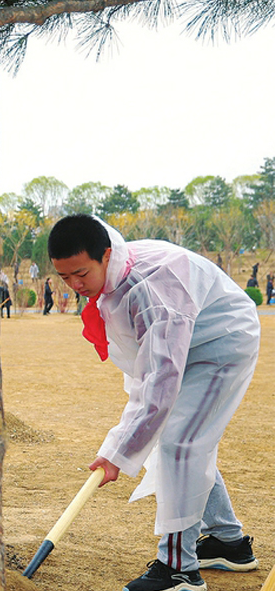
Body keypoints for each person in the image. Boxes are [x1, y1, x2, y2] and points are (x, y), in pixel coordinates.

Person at [49, 214, 259, 591]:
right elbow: (146, 372)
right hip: (187, 339)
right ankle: (229, 542)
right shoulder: (115, 280)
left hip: (222, 341)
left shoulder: (151, 290)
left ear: (106, 255)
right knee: (178, 439)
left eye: (81, 273)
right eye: (64, 278)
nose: (75, 285)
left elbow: (160, 382)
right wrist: (123, 441)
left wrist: (118, 450)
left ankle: (179, 569)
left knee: (180, 442)